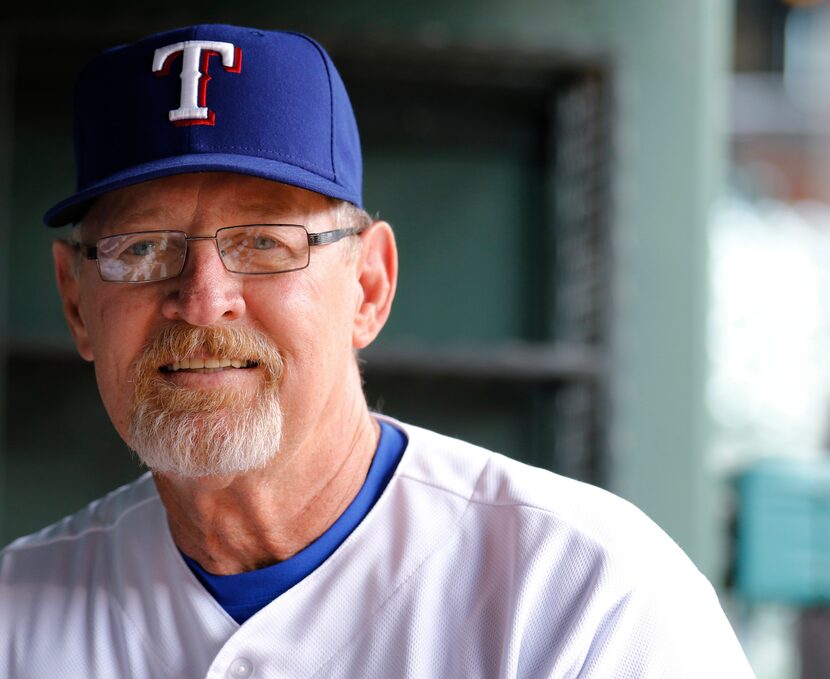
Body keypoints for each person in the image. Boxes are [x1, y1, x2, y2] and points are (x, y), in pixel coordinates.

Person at [0, 24, 754, 678]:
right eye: (143, 247)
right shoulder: (15, 617)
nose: (203, 298)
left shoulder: (589, 595)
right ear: (77, 301)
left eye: (266, 242)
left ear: (368, 285)